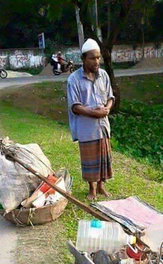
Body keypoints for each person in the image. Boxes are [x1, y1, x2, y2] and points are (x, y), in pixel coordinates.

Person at [67, 38, 115, 200]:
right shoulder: (73, 79)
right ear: (83, 59)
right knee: (89, 161)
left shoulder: (104, 75)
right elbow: (75, 106)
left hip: (103, 126)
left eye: (98, 57)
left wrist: (107, 108)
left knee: (103, 159)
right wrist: (94, 113)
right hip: (87, 128)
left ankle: (101, 186)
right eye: (92, 58)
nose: (97, 61)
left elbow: (110, 97)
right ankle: (92, 189)